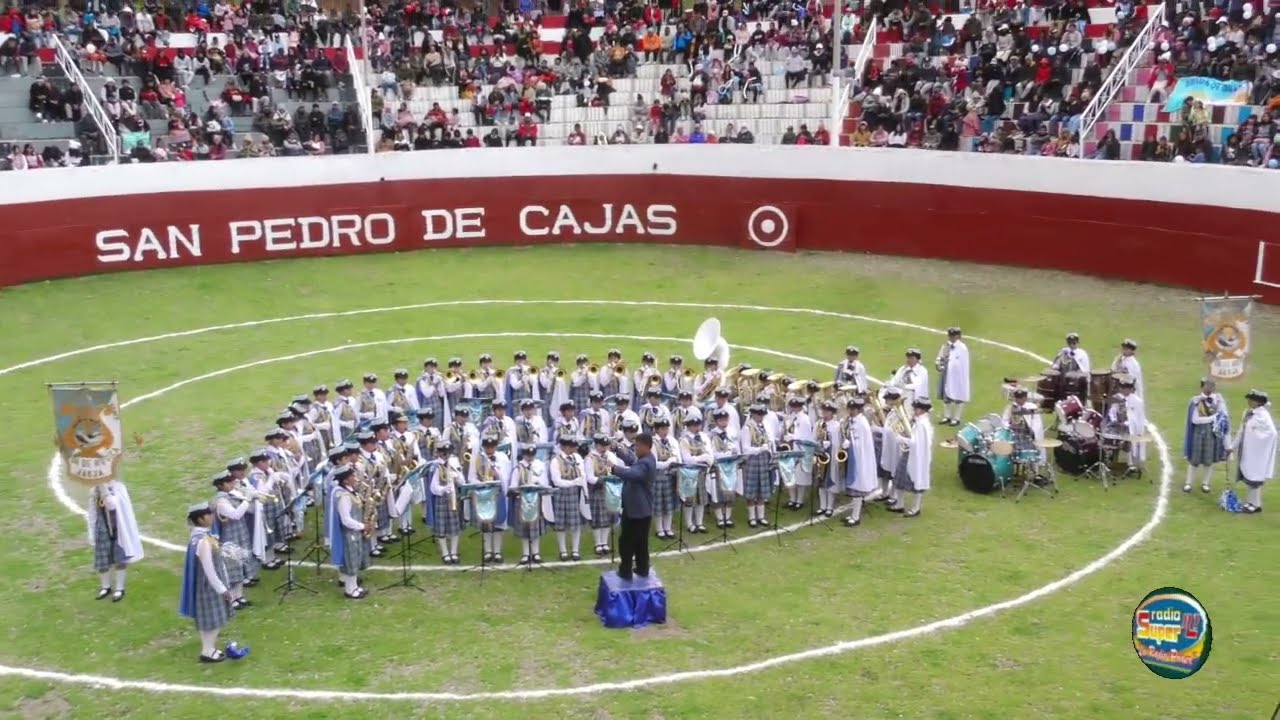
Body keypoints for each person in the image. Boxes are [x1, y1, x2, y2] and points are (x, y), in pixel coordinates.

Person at [179, 502, 237, 662]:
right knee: (214, 620)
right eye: (208, 514)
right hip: (209, 586)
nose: (211, 516)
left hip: (205, 585)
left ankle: (208, 648)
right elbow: (209, 569)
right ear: (200, 519)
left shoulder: (196, 537)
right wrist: (223, 589)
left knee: (208, 620)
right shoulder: (204, 541)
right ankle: (207, 650)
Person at [610, 432, 657, 580]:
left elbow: (633, 474)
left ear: (644, 446)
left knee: (626, 542)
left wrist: (614, 468)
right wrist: (618, 449)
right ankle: (642, 569)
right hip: (640, 509)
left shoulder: (646, 463)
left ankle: (626, 571)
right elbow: (632, 460)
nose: (635, 448)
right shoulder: (645, 458)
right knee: (640, 542)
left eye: (637, 446)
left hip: (637, 510)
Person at [87, 479, 144, 601]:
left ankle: (119, 588)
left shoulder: (118, 487)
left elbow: (111, 505)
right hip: (102, 527)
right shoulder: (94, 490)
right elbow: (92, 512)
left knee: (120, 558)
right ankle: (105, 586)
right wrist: (91, 532)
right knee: (102, 558)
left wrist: (103, 488)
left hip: (119, 527)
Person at [211, 471, 256, 608]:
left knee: (241, 564)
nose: (232, 484)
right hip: (229, 536)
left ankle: (239, 596)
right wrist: (247, 500)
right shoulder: (221, 501)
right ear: (221, 485)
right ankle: (231, 599)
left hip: (239, 533)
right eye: (228, 482)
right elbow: (235, 515)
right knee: (232, 568)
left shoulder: (232, 495)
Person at [1230, 389, 1276, 514]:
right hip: (1247, 450)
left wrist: (1257, 437)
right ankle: (1253, 502)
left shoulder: (1263, 416)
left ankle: (1254, 504)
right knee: (1249, 476)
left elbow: (1271, 433)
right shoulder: (1248, 413)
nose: (1249, 401)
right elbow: (1242, 430)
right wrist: (1232, 446)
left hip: (1257, 452)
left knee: (1254, 478)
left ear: (1259, 402)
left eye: (1252, 399)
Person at [328, 466, 372, 599]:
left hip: (355, 532)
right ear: (345, 480)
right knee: (351, 561)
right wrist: (362, 526)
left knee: (356, 558)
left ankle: (354, 587)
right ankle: (350, 590)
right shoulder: (344, 496)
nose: (356, 478)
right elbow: (346, 519)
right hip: (350, 533)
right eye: (353, 476)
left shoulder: (352, 492)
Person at [469, 435, 512, 563]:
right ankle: (488, 551)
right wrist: (481, 484)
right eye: (487, 447)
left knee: (498, 522)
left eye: (492, 447)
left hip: (498, 493)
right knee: (486, 523)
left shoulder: (502, 458)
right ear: (483, 447)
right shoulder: (476, 458)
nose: (490, 449)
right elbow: (471, 477)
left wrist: (497, 474)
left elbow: (507, 476)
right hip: (484, 494)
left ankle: (497, 551)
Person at [1182, 379, 1230, 494]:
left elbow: (1223, 417)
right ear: (1202, 387)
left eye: (1212, 385)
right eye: (1208, 385)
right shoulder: (1196, 401)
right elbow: (1194, 420)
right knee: (1194, 459)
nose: (1210, 388)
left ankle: (1206, 483)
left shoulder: (1218, 400)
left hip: (1212, 433)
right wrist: (1211, 418)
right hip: (1199, 433)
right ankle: (1188, 483)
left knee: (1209, 460)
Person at [889, 398, 935, 517]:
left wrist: (901, 439)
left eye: (916, 408)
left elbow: (916, 443)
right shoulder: (919, 422)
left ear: (921, 410)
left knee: (917, 480)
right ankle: (900, 504)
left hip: (915, 455)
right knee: (899, 477)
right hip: (910, 453)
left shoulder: (922, 424)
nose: (914, 410)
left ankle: (916, 508)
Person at [508, 444, 551, 564]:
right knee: (524, 529)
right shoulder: (518, 468)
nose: (530, 457)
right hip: (522, 501)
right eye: (527, 455)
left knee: (535, 528)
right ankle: (526, 553)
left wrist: (538, 482)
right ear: (524, 454)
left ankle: (536, 553)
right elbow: (512, 486)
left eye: (532, 455)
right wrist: (520, 488)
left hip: (535, 500)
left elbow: (545, 483)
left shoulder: (540, 465)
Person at [549, 435, 589, 561]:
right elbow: (556, 481)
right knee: (561, 524)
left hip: (575, 493)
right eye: (572, 447)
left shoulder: (577, 457)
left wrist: (581, 484)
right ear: (565, 447)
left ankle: (575, 550)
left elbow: (582, 474)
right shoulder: (555, 460)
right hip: (561, 493)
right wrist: (573, 482)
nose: (574, 449)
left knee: (575, 523)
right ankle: (563, 550)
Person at [842, 398, 879, 526]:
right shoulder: (853, 421)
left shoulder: (861, 423)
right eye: (850, 409)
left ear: (858, 410)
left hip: (859, 459)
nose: (850, 412)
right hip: (853, 457)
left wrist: (850, 443)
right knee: (853, 488)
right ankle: (853, 514)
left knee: (857, 489)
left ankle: (855, 517)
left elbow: (861, 444)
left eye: (853, 409)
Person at [428, 442, 464, 564]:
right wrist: (443, 489)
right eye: (443, 452)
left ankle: (454, 552)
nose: (445, 454)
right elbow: (433, 488)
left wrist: (457, 477)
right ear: (438, 452)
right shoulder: (436, 466)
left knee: (454, 527)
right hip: (442, 499)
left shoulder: (454, 463)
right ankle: (445, 552)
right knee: (441, 527)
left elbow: (462, 482)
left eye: (448, 452)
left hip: (454, 497)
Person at [678, 415, 714, 533]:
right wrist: (701, 457)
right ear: (688, 426)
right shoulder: (684, 439)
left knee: (701, 498)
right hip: (689, 472)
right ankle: (689, 524)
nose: (696, 427)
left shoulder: (703, 437)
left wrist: (708, 459)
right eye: (693, 425)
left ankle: (699, 522)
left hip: (702, 471)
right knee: (690, 498)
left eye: (698, 425)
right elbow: (687, 458)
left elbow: (709, 452)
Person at [649, 417, 682, 539]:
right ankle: (659, 529)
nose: (665, 431)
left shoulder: (670, 441)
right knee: (659, 504)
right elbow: (654, 463)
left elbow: (676, 456)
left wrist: (674, 461)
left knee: (669, 503)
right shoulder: (653, 443)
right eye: (662, 429)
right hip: (658, 476)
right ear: (657, 430)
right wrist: (668, 462)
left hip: (670, 475)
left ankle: (667, 528)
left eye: (666, 428)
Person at [780, 397, 814, 509]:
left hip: (800, 450)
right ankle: (792, 499)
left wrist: (793, 437)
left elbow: (806, 437)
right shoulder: (791, 417)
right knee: (790, 476)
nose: (793, 409)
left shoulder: (804, 419)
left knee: (800, 477)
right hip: (791, 449)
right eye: (792, 407)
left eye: (795, 407)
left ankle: (799, 500)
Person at [936, 327, 971, 427]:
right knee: (946, 396)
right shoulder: (946, 346)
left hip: (958, 376)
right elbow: (940, 357)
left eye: (954, 335)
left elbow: (962, 363)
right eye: (950, 335)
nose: (951, 337)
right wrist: (939, 364)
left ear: (958, 336)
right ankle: (947, 416)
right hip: (947, 373)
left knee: (958, 395)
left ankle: (956, 418)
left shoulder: (962, 348)